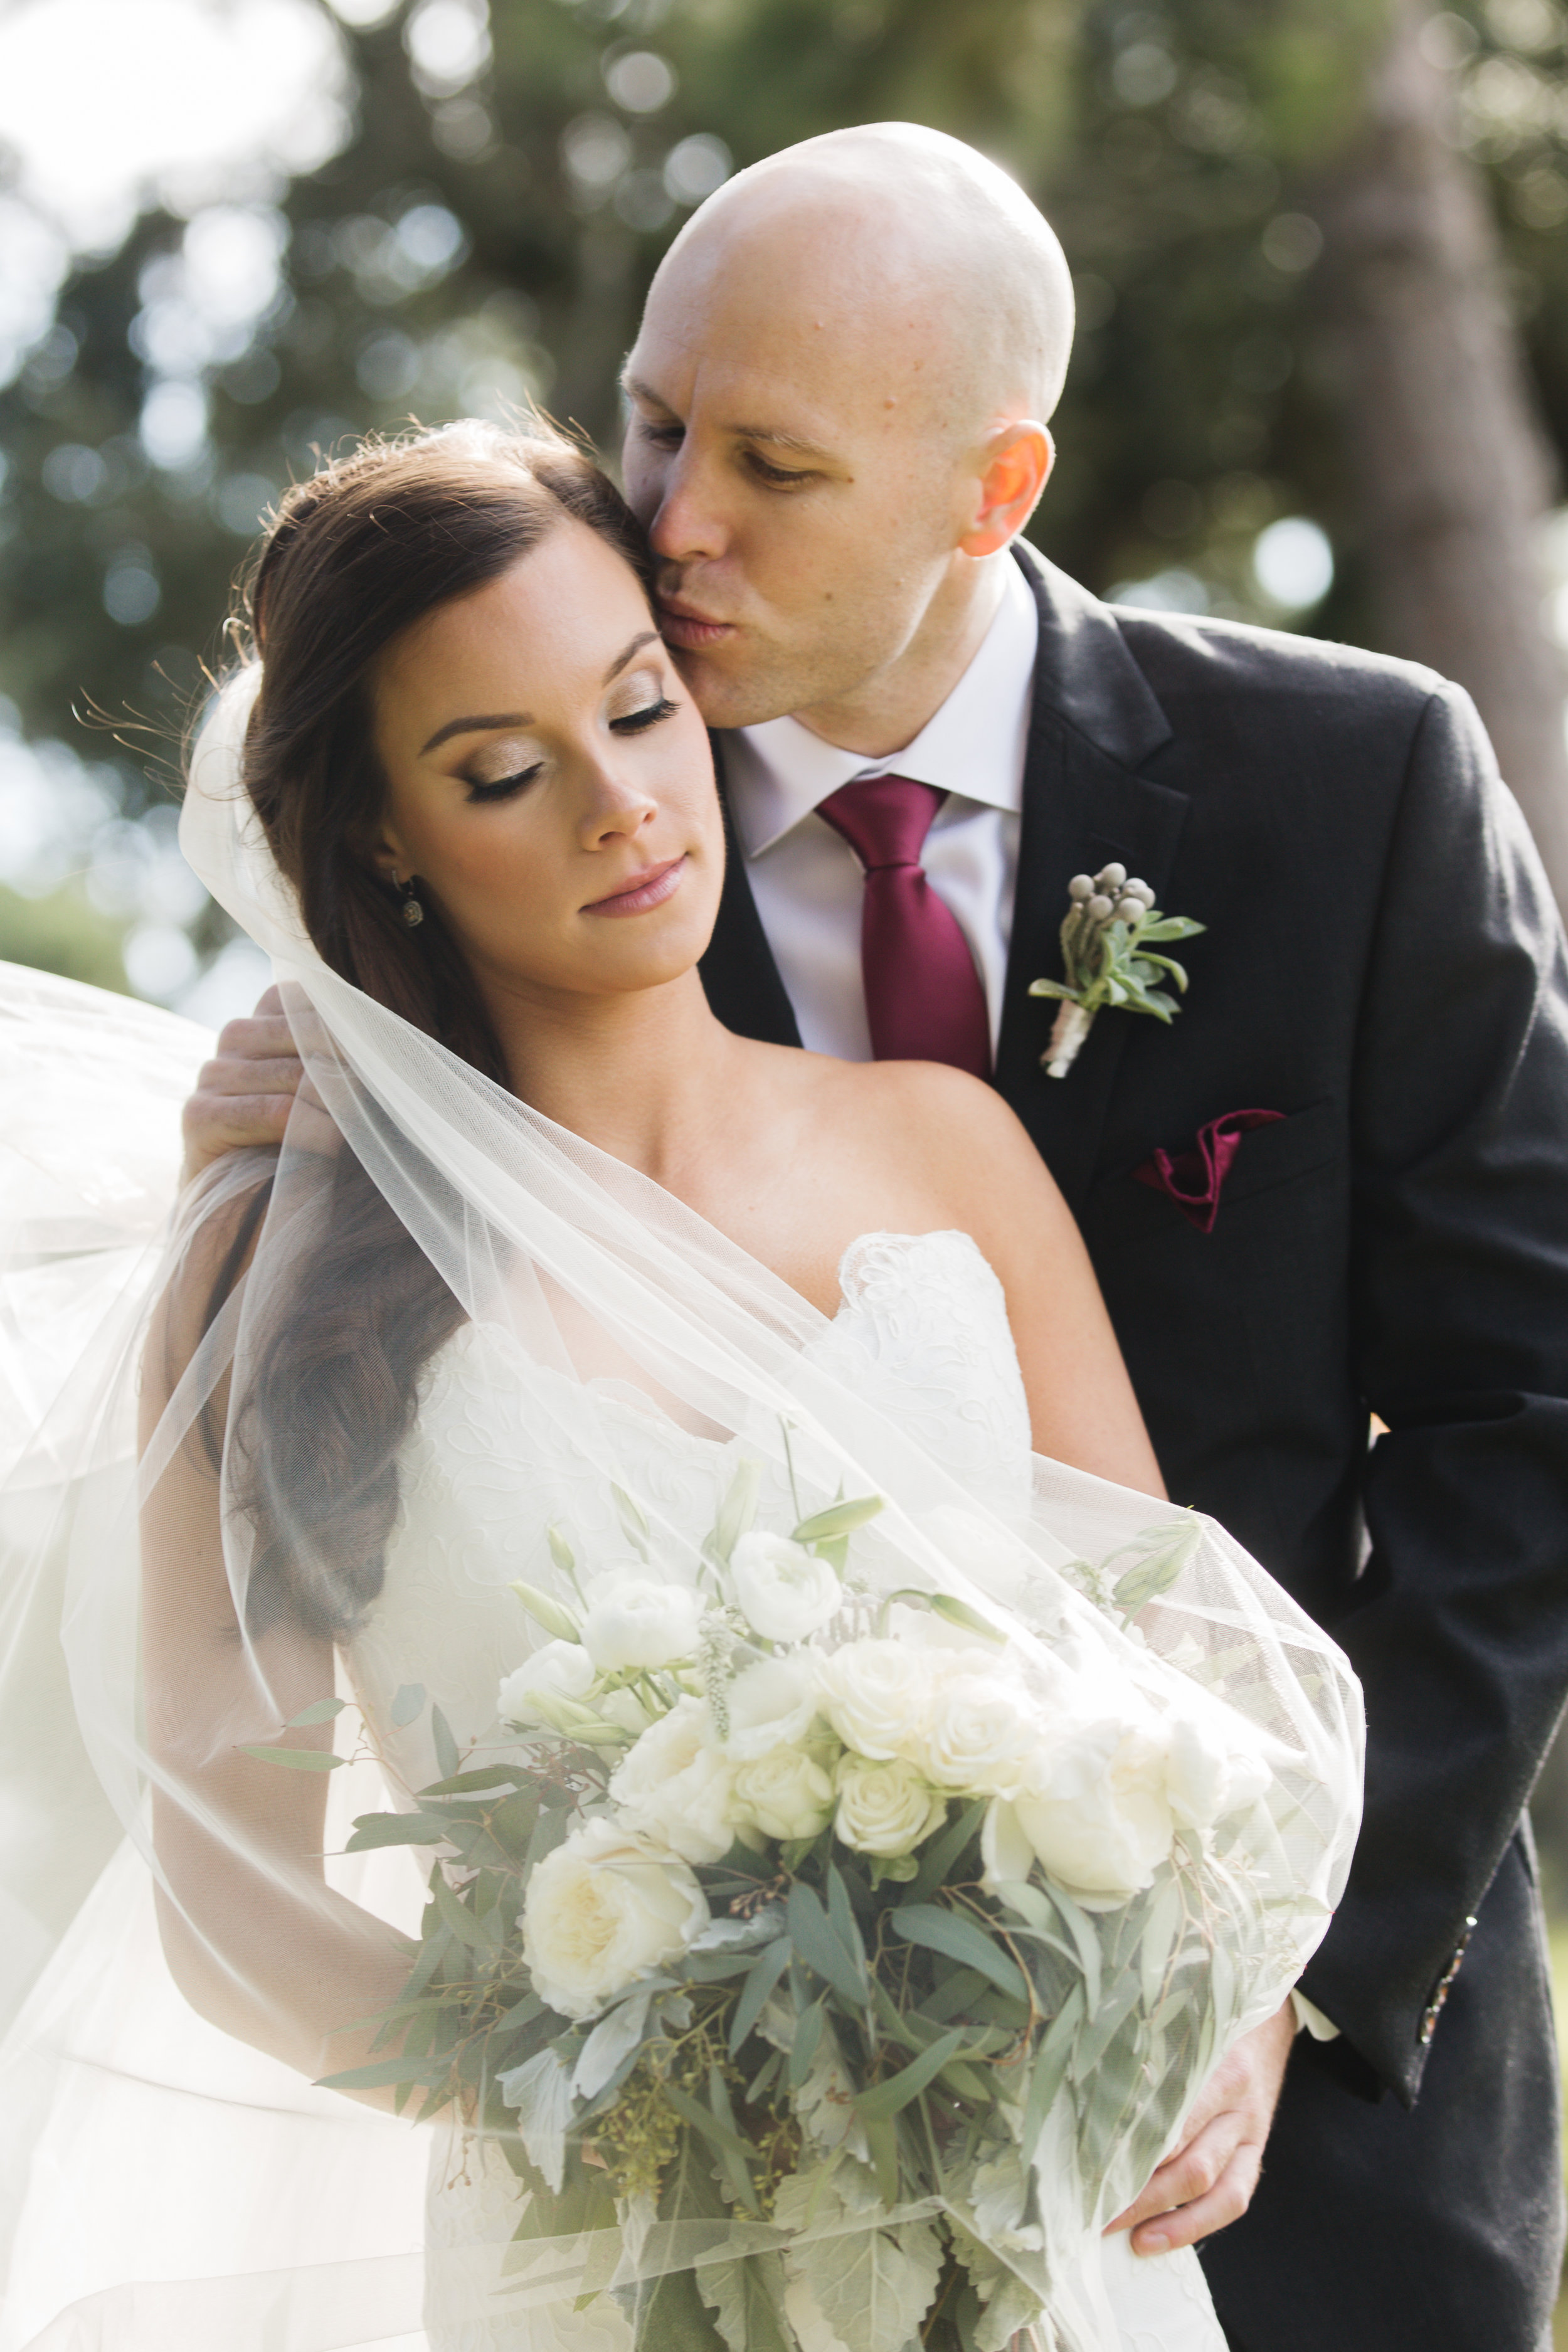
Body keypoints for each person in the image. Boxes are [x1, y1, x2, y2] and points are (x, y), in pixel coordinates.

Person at [187, 124, 1568, 2351]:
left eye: (774, 464)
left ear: (987, 491)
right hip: (679, 2201)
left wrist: (1274, 1964)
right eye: (650, 420)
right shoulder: (561, 845)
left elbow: (1529, 1420)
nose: (674, 518)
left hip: (1310, 2097)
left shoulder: (1357, 786)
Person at [0, 422, 1359, 2352]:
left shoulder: (940, 1148)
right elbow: (221, 1889)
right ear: (380, 831)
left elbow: (1185, 1669)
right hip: (606, 2257)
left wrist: (1223, 2002)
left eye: (636, 713)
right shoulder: (293, 1266)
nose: (619, 809)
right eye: (499, 771)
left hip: (1039, 2229)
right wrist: (650, 2097)